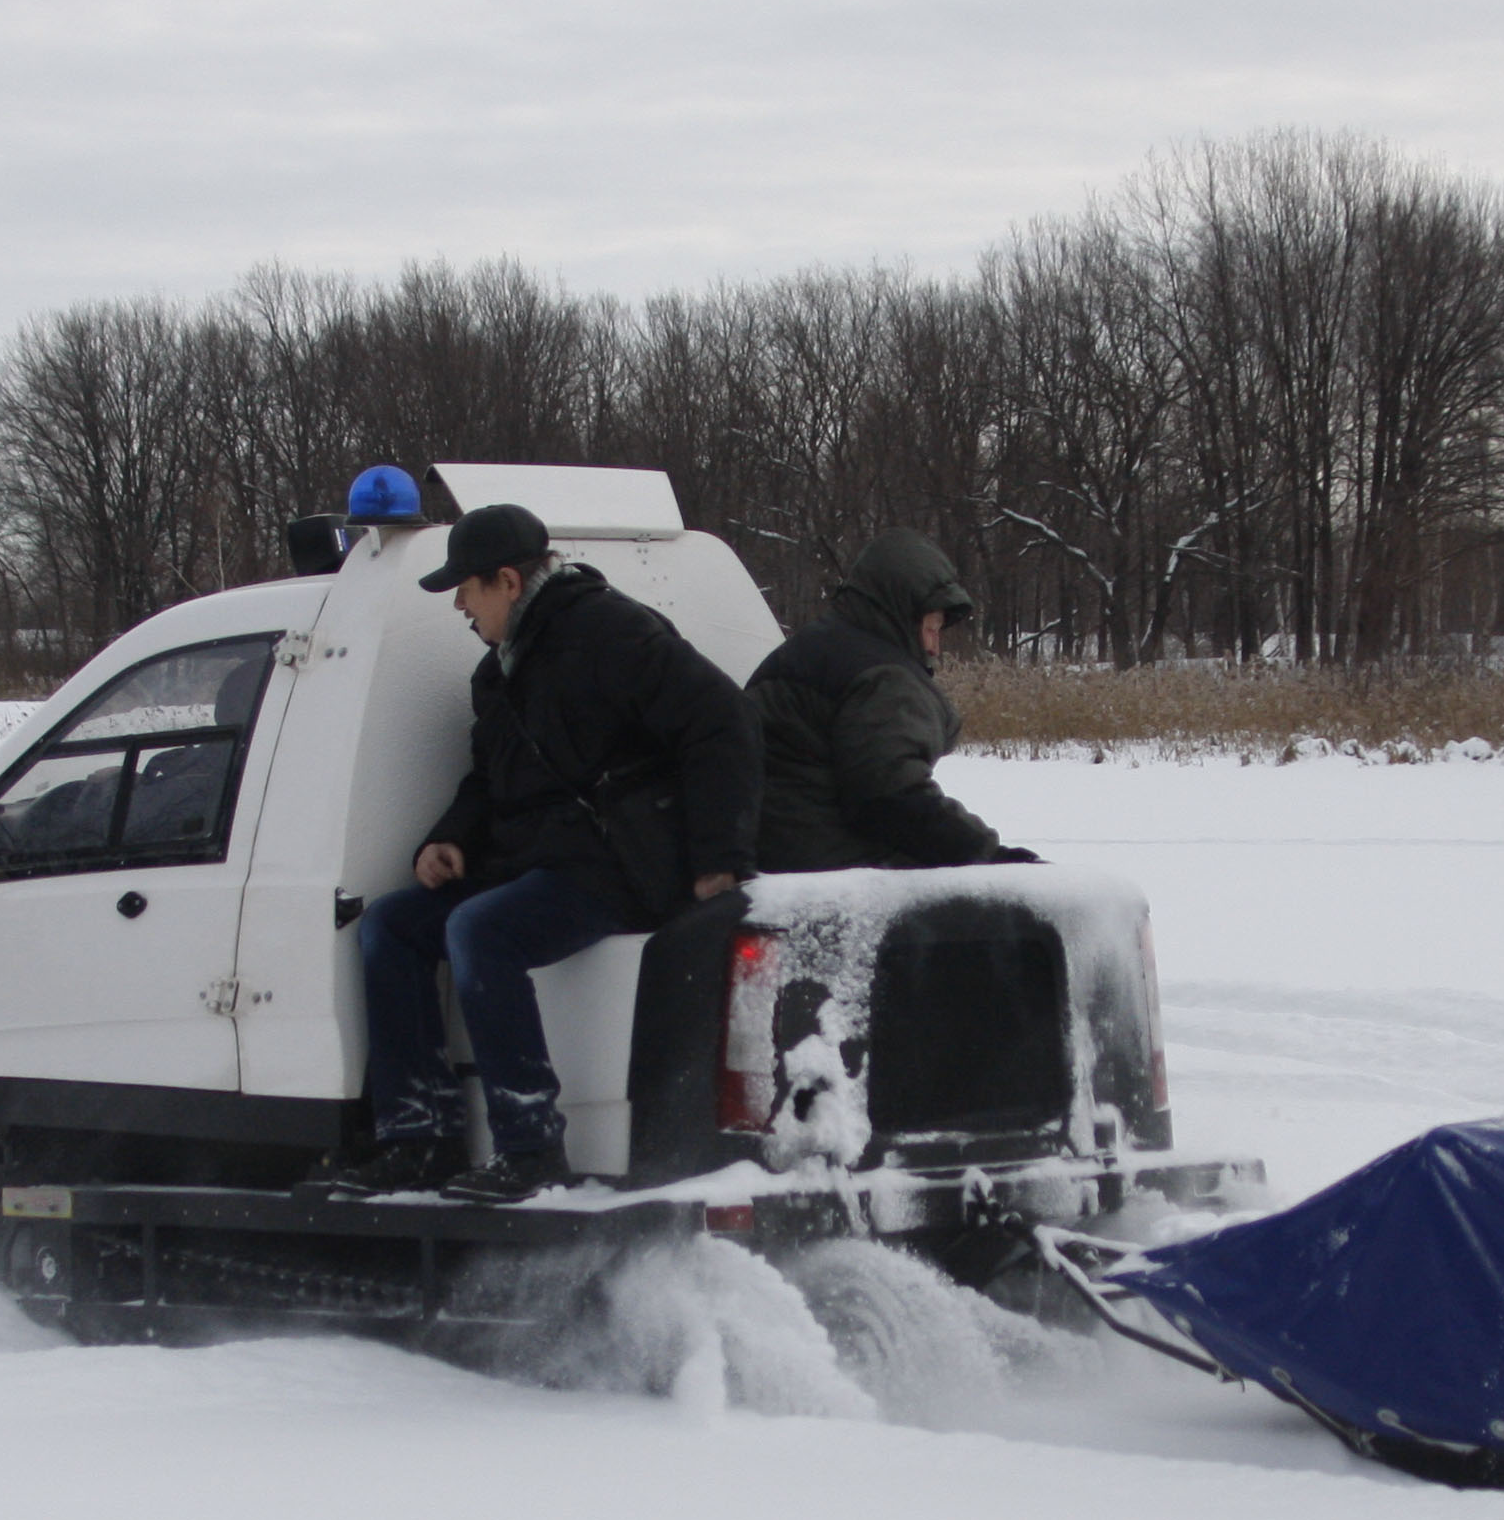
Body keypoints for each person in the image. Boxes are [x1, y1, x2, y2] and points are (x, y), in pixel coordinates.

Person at [310, 501, 760, 1200]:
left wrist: (716, 859)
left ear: (508, 583)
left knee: (479, 929)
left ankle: (530, 1148)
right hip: (542, 862)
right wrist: (449, 838)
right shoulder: (499, 673)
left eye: (466, 587)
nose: (459, 604)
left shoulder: (614, 634)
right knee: (392, 927)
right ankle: (418, 1136)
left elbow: (722, 722)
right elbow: (490, 780)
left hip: (619, 865)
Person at [745, 526, 1028, 872]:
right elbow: (890, 798)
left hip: (763, 851)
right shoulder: (881, 674)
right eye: (931, 628)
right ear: (901, 611)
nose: (934, 647)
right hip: (828, 868)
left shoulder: (810, 648)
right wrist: (986, 855)